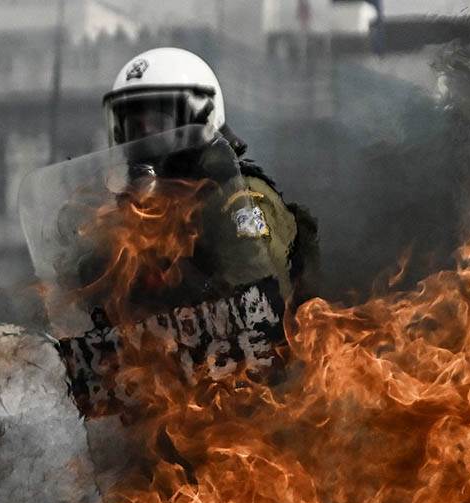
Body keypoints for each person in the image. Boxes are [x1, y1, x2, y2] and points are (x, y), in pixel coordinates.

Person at [99, 46, 318, 318]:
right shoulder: (139, 211)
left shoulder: (236, 197)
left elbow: (263, 304)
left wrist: (185, 288)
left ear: (201, 119)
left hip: (244, 356)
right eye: (133, 126)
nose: (142, 138)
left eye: (157, 123)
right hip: (161, 355)